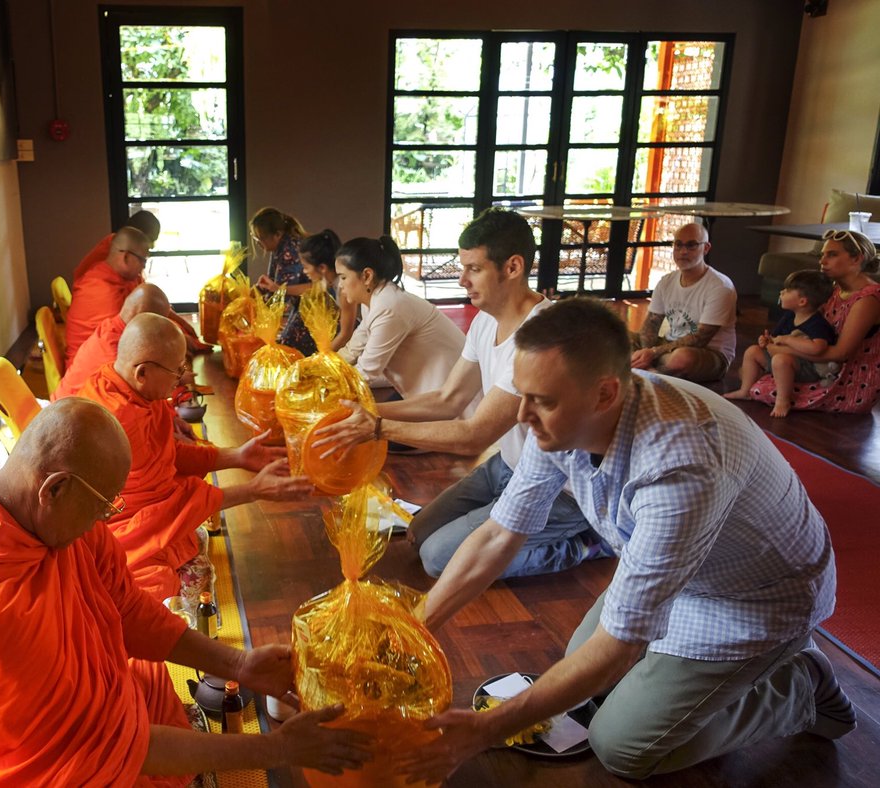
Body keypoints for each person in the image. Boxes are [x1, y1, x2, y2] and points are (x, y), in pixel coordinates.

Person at [397, 298, 851, 785]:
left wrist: (488, 729)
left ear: (605, 394)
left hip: (750, 601)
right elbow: (499, 534)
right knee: (584, 678)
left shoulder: (680, 464)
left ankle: (799, 685)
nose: (521, 415)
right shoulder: (559, 417)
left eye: (541, 401)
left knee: (622, 747)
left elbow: (617, 647)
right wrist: (412, 631)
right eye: (522, 395)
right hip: (679, 571)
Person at [0, 398, 373, 786]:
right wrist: (278, 750)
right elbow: (102, 748)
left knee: (150, 682)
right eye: (103, 507)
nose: (106, 521)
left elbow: (126, 608)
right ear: (54, 490)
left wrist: (238, 665)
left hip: (64, 730)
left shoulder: (39, 512)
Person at [313, 209, 603, 579]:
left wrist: (378, 428)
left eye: (474, 269)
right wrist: (364, 408)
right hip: (508, 466)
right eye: (462, 267)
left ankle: (585, 544)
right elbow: (447, 400)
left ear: (512, 268)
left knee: (439, 559)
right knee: (418, 534)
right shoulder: (485, 322)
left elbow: (474, 435)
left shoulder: (542, 336)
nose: (462, 279)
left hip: (560, 490)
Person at [78, 313, 313, 601]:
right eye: (177, 371)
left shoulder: (126, 386)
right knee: (156, 589)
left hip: (147, 514)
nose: (183, 379)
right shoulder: (119, 419)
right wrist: (253, 490)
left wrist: (237, 456)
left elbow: (169, 457)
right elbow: (163, 507)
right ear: (142, 373)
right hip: (116, 527)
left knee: (190, 543)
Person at [749, 229, 880, 414]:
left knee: (763, 389)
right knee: (757, 374)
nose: (822, 261)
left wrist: (783, 348)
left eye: (832, 255)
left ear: (856, 259)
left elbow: (841, 354)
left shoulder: (867, 299)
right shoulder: (835, 290)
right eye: (822, 255)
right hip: (821, 367)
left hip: (849, 378)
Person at [332, 236, 464, 398]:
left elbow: (366, 372)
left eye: (343, 277)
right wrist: (322, 367)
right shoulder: (376, 300)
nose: (340, 284)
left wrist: (322, 387)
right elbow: (354, 348)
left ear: (367, 276)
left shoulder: (389, 306)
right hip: (430, 388)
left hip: (448, 389)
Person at [630, 222, 736, 382]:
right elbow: (651, 324)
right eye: (678, 245)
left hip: (708, 353)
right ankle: (651, 372)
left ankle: (645, 373)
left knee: (682, 358)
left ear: (706, 248)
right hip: (667, 347)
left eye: (691, 245)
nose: (683, 251)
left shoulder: (720, 286)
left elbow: (701, 338)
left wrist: (652, 353)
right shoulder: (666, 281)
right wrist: (646, 352)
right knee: (615, 336)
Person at [724, 270, 837, 417]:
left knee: (780, 359)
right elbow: (774, 337)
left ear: (802, 301)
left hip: (807, 368)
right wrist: (766, 341)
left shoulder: (817, 323)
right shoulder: (790, 316)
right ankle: (745, 390)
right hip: (782, 360)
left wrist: (787, 340)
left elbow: (817, 348)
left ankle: (783, 400)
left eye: (788, 290)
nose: (782, 292)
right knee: (753, 351)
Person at [54, 283, 173, 401]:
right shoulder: (118, 355)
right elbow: (141, 396)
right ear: (141, 318)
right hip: (69, 413)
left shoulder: (112, 326)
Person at [66, 226, 151, 363]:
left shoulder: (120, 279)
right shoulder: (101, 289)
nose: (144, 267)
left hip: (108, 356)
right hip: (91, 370)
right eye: (143, 260)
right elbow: (124, 343)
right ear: (126, 257)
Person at [252, 207, 315, 354]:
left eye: (260, 238)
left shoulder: (289, 250)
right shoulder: (281, 247)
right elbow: (274, 284)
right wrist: (257, 291)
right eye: (255, 238)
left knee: (288, 346)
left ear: (277, 235)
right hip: (301, 303)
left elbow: (281, 291)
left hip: (312, 304)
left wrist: (258, 313)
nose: (257, 243)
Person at [299, 228, 358, 351]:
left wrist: (322, 357)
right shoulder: (327, 282)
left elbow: (346, 334)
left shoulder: (343, 289)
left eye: (305, 267)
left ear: (322, 267)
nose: (304, 272)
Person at [72, 209, 161, 285]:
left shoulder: (116, 241)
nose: (152, 246)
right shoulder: (117, 250)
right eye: (151, 240)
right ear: (136, 235)